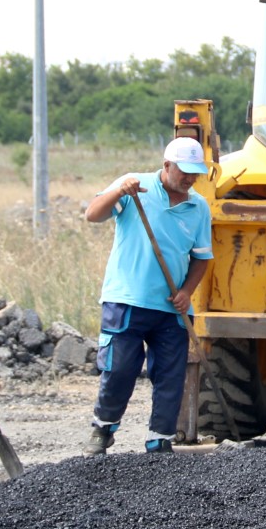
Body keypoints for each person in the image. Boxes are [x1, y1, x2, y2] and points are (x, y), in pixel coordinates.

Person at [84, 136, 213, 455]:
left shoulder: (198, 206)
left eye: (195, 172)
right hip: (127, 300)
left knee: (170, 376)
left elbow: (202, 257)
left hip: (172, 308)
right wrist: (117, 191)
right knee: (120, 368)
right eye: (185, 171)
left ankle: (160, 439)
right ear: (166, 165)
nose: (190, 178)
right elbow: (93, 214)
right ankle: (104, 428)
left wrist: (186, 292)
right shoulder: (134, 187)